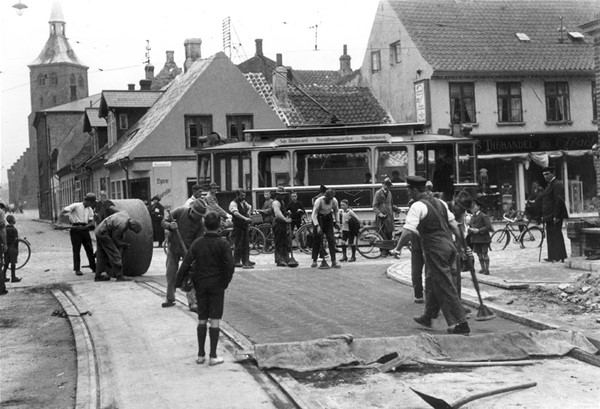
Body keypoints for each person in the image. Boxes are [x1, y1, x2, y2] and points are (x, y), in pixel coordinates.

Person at [391, 176, 470, 335]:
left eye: (408, 191)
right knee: (431, 279)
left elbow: (408, 231)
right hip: (449, 246)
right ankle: (428, 316)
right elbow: (454, 226)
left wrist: (398, 248)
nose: (408, 194)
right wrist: (463, 246)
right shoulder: (440, 203)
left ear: (414, 190)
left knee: (444, 284)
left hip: (435, 249)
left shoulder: (417, 206)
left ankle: (461, 323)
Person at [174, 212, 234, 366]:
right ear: (219, 225)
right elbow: (229, 266)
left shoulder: (197, 243)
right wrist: (224, 282)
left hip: (200, 285)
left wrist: (177, 283)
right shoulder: (224, 244)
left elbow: (186, 263)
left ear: (205, 225)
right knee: (214, 320)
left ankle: (200, 355)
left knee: (201, 319)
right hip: (217, 286)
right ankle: (213, 356)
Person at [161, 199, 207, 309]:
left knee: (190, 275)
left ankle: (192, 302)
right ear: (192, 211)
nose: (199, 217)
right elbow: (163, 222)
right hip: (173, 248)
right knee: (171, 273)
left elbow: (198, 241)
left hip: (188, 251)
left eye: (201, 215)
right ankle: (170, 298)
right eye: (198, 215)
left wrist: (191, 254)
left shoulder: (201, 223)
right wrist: (170, 226)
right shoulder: (179, 211)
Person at [94, 211, 143, 281]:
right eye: (133, 230)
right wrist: (123, 244)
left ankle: (98, 276)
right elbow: (115, 240)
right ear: (133, 225)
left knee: (101, 255)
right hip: (104, 233)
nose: (132, 231)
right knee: (115, 254)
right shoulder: (122, 226)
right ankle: (119, 276)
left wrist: (110, 207)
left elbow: (114, 209)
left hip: (98, 230)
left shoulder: (125, 214)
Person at [536, 166, 569, 263]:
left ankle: (560, 256)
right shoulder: (549, 185)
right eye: (544, 175)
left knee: (556, 235)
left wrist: (556, 215)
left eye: (547, 174)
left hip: (554, 215)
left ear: (553, 174)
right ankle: (552, 256)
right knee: (550, 236)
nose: (545, 176)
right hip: (548, 215)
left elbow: (558, 201)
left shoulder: (557, 184)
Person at [60, 193, 97, 276]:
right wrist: (59, 222)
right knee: (76, 250)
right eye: (91, 202)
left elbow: (91, 221)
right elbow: (63, 211)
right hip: (75, 229)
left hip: (84, 229)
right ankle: (77, 269)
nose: (91, 204)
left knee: (89, 248)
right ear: (86, 201)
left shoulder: (90, 209)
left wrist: (88, 226)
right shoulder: (76, 206)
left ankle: (93, 266)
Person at [311, 189, 340, 269]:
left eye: (330, 199)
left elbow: (336, 211)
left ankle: (333, 261)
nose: (329, 200)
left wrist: (337, 221)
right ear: (325, 196)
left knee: (331, 239)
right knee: (317, 239)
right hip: (318, 218)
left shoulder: (334, 201)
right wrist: (317, 226)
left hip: (328, 218)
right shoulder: (319, 201)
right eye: (328, 198)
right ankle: (314, 260)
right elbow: (314, 214)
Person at [373, 177, 400, 257]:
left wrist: (397, 210)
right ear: (383, 184)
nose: (387, 187)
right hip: (382, 217)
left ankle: (387, 250)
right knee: (382, 234)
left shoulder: (390, 193)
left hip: (389, 216)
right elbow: (374, 205)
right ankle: (383, 251)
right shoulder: (378, 193)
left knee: (389, 233)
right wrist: (380, 214)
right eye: (386, 185)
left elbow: (391, 205)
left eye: (388, 185)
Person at [229, 189, 254, 269]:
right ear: (237, 195)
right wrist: (245, 218)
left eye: (244, 196)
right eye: (241, 195)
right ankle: (236, 261)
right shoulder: (233, 203)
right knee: (238, 244)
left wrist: (248, 213)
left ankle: (245, 260)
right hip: (238, 226)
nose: (243, 197)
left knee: (246, 244)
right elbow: (235, 212)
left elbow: (250, 207)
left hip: (244, 226)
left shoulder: (243, 202)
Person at [468, 198, 492, 275]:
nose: (472, 208)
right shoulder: (472, 217)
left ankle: (487, 269)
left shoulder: (483, 216)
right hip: (475, 239)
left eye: (473, 206)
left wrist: (479, 230)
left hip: (483, 238)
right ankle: (482, 268)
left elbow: (488, 226)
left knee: (484, 253)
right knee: (479, 254)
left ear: (478, 207)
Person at [272, 186, 294, 267]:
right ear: (277, 195)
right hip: (278, 224)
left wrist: (287, 213)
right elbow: (277, 214)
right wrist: (285, 219)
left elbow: (282, 211)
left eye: (284, 194)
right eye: (281, 195)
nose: (283, 196)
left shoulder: (282, 202)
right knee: (279, 242)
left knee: (285, 242)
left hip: (283, 225)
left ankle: (286, 258)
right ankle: (279, 260)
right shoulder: (276, 203)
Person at [2, 215, 21, 284]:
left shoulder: (5, 229)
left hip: (6, 247)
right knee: (13, 263)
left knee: (6, 263)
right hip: (13, 248)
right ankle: (13, 277)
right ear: (12, 221)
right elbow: (16, 240)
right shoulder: (14, 229)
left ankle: (3, 276)